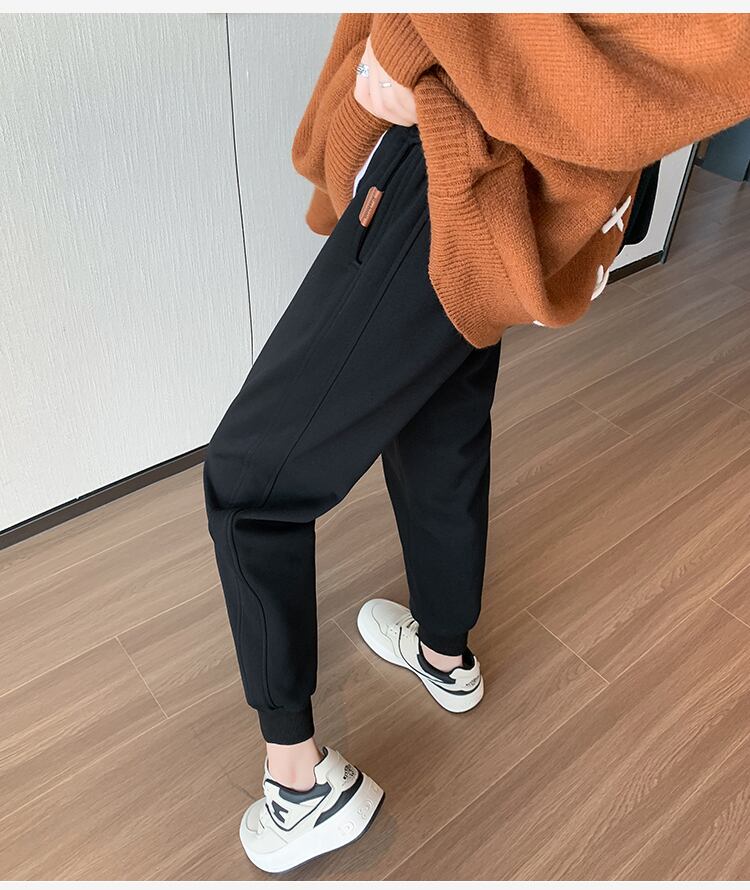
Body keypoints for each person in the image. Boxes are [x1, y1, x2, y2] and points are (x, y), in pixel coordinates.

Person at [203, 14, 750, 873]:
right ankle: (443, 653)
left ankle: (302, 791)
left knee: (247, 479)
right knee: (440, 420)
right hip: (511, 178)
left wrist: (408, 52)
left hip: (448, 152)